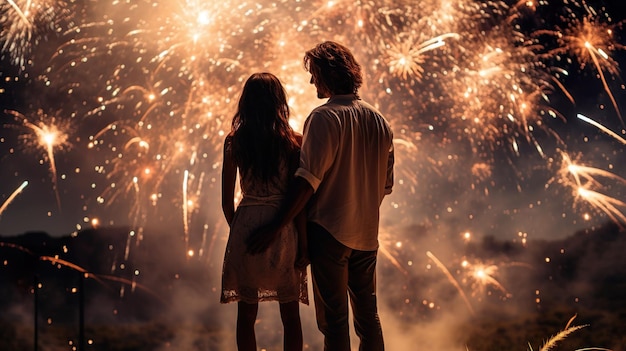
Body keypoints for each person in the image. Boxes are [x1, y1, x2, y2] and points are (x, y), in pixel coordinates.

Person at [248, 41, 394, 351]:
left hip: (329, 232)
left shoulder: (324, 118)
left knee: (334, 323)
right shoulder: (380, 121)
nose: (312, 81)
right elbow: (384, 186)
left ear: (328, 75)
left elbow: (306, 182)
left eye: (315, 74)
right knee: (369, 320)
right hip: (367, 235)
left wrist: (275, 227)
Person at [220, 72, 309, 351]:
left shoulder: (234, 141)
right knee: (290, 313)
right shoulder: (294, 141)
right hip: (283, 224)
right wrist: (303, 242)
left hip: (246, 222)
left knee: (246, 314)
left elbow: (226, 201)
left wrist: (239, 229)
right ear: (278, 101)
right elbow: (300, 197)